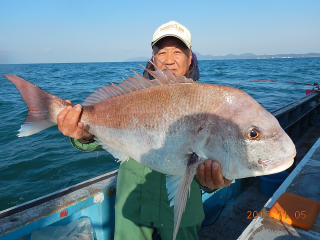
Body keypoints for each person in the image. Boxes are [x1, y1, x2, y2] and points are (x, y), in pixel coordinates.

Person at [57, 21, 232, 240]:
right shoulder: (130, 96)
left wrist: (212, 182)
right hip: (133, 201)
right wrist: (83, 134)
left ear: (190, 60)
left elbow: (214, 159)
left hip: (182, 206)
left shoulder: (208, 105)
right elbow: (97, 136)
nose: (168, 59)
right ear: (152, 59)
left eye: (177, 51)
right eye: (162, 51)